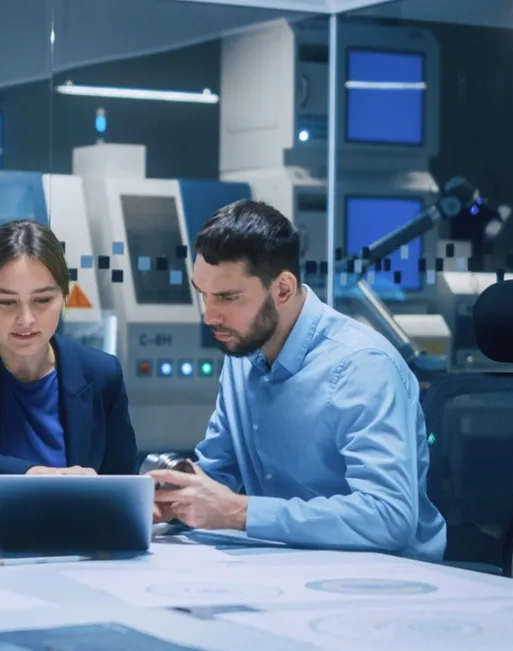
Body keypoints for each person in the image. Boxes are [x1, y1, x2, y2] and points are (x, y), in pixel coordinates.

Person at [149, 199, 446, 562]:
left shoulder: (362, 366)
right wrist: (175, 495)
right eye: (203, 294)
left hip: (386, 577)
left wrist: (241, 512)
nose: (209, 316)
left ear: (284, 289)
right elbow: (219, 475)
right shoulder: (243, 355)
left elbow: (389, 517)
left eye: (228, 297)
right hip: (284, 564)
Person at [0, 219, 138, 524]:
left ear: (64, 297)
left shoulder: (100, 372)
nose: (26, 319)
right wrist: (42, 477)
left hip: (76, 543)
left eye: (43, 300)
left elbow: (120, 484)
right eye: (7, 302)